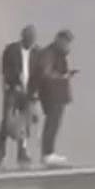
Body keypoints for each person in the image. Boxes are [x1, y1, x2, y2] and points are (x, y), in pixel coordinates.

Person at [0, 25, 36, 169]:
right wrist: (10, 85)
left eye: (33, 37)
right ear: (23, 36)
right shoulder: (11, 50)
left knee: (25, 122)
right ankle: (1, 152)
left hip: (28, 92)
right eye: (29, 37)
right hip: (13, 90)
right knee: (7, 121)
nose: (31, 40)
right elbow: (4, 70)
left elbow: (38, 72)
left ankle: (22, 151)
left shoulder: (36, 52)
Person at [35, 30, 75, 165]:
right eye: (65, 42)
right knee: (51, 124)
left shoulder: (57, 53)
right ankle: (47, 153)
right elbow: (46, 73)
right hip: (52, 94)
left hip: (57, 94)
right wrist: (62, 77)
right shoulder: (49, 53)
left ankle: (49, 153)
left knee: (54, 123)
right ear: (58, 39)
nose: (67, 45)